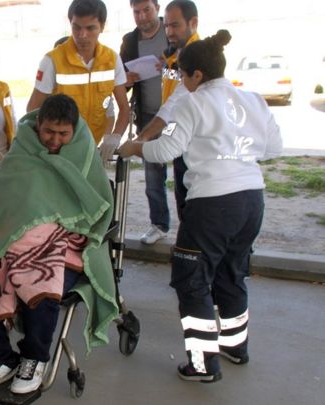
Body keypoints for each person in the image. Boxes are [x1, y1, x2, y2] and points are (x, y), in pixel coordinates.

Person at [118, 30, 283, 382]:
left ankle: (202, 364)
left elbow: (165, 150)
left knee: (192, 281)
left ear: (196, 75)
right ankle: (235, 347)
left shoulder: (192, 103)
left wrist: (135, 148)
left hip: (211, 205)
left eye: (183, 76)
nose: (182, 83)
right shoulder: (254, 100)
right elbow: (273, 149)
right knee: (232, 273)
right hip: (252, 199)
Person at [0, 94, 118, 397]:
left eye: (62, 134)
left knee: (42, 279)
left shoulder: (83, 152)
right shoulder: (22, 150)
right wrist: (22, 232)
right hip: (11, 238)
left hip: (65, 241)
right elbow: (5, 201)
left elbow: (96, 207)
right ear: (38, 126)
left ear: (73, 131)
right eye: (48, 132)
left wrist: (54, 230)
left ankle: (35, 357)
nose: (54, 140)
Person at [26, 0, 129, 163]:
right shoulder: (52, 61)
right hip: (59, 151)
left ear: (102, 26)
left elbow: (124, 107)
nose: (82, 35)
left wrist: (114, 137)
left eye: (90, 28)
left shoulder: (112, 60)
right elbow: (32, 109)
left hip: (93, 147)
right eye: (77, 27)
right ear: (70, 24)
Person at [136, 0, 199, 222]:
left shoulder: (197, 55)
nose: (170, 32)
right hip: (173, 127)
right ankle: (167, 229)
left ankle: (189, 247)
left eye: (176, 25)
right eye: (167, 27)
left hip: (191, 137)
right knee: (178, 188)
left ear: (193, 22)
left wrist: (143, 138)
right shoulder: (172, 54)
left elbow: (173, 104)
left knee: (189, 192)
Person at [120, 0, 171, 244]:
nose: (141, 16)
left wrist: (171, 67)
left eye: (146, 10)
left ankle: (192, 229)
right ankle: (159, 224)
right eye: (136, 12)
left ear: (157, 9)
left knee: (187, 171)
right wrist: (126, 80)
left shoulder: (172, 30)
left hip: (179, 115)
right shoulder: (130, 41)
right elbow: (120, 78)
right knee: (153, 173)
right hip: (148, 115)